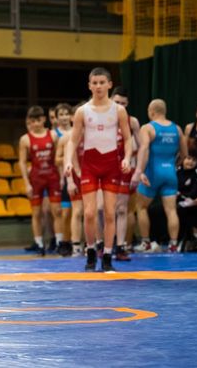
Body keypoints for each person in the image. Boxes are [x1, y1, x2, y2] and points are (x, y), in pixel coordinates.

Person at [65, 67, 132, 272]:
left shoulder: (118, 110)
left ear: (109, 84)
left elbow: (128, 138)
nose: (98, 86)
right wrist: (68, 161)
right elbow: (73, 140)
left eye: (102, 82)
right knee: (89, 213)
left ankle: (108, 256)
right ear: (89, 86)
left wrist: (127, 158)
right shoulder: (82, 111)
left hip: (111, 164)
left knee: (110, 213)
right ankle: (91, 251)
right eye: (94, 83)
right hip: (90, 165)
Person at [132, 99, 187, 253]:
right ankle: (173, 245)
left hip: (152, 172)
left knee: (141, 207)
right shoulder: (177, 129)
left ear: (151, 112)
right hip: (170, 172)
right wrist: (174, 165)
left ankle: (146, 243)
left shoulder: (148, 128)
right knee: (171, 210)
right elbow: (185, 154)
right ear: (164, 111)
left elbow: (144, 149)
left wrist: (140, 171)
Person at [19, 106, 62, 256]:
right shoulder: (25, 139)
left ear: (43, 119)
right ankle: (39, 244)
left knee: (57, 211)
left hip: (52, 176)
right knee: (36, 213)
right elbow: (22, 162)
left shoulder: (53, 135)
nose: (36, 124)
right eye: (33, 121)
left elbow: (58, 158)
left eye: (38, 120)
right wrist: (26, 183)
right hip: (36, 178)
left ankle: (59, 243)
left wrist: (61, 178)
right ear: (29, 121)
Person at [112, 87, 140, 261]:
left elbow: (142, 147)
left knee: (122, 209)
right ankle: (100, 244)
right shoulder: (100, 119)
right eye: (117, 102)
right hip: (103, 169)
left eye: (123, 103)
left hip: (123, 169)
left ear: (127, 104)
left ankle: (120, 246)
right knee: (101, 210)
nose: (120, 106)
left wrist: (139, 170)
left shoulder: (132, 122)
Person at [57, 103, 84, 257]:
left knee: (91, 212)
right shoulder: (67, 138)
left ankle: (92, 245)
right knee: (75, 211)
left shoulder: (92, 135)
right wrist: (70, 180)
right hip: (73, 176)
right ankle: (74, 245)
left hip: (89, 175)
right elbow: (58, 160)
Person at [53, 103, 74, 256]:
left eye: (67, 114)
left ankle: (80, 243)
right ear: (56, 118)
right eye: (61, 114)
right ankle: (62, 241)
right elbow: (56, 159)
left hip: (79, 175)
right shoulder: (55, 135)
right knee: (64, 213)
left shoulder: (78, 132)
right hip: (61, 177)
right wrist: (69, 157)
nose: (65, 117)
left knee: (79, 213)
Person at [176, 149, 197, 251]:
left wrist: (180, 195)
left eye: (194, 160)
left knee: (181, 208)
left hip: (193, 201)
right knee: (155, 209)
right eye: (188, 158)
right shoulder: (177, 170)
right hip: (175, 199)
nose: (190, 162)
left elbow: (195, 192)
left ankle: (187, 238)